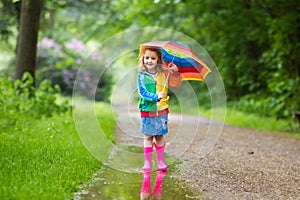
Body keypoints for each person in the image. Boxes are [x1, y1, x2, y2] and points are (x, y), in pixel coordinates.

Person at [136, 45, 178, 171]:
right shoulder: (141, 75)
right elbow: (142, 92)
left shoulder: (164, 72)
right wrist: (155, 97)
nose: (149, 60)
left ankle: (161, 162)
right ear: (143, 59)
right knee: (148, 136)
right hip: (147, 110)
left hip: (162, 110)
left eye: (153, 58)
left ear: (158, 59)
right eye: (147, 57)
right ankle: (147, 163)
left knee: (159, 136)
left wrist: (175, 72)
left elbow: (176, 84)